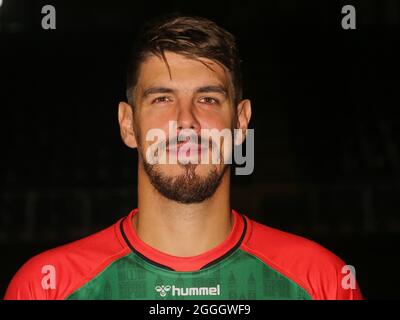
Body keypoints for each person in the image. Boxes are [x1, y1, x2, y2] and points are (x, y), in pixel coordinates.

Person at [4, 15, 363, 300]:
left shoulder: (322, 281)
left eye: (208, 99)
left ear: (240, 123)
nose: (186, 120)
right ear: (128, 125)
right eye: (162, 99)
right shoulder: (46, 287)